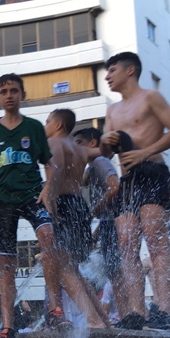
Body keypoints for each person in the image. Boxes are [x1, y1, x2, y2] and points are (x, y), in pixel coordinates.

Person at [0, 73, 68, 338]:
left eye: (14, 90)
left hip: (31, 196)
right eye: (4, 91)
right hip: (2, 200)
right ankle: (7, 328)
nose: (9, 95)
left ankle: (54, 311)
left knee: (49, 238)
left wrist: (48, 187)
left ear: (22, 95)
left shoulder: (35, 127)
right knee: (6, 262)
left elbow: (49, 164)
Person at [101, 52, 170, 330]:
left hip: (152, 172)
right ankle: (137, 311)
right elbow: (103, 152)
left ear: (130, 70)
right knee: (126, 246)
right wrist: (106, 140)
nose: (107, 76)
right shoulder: (112, 110)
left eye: (112, 70)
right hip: (127, 183)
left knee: (156, 242)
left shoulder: (151, 97)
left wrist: (144, 152)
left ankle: (164, 310)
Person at [43, 109, 108, 328]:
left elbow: (56, 168)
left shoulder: (55, 143)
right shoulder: (79, 149)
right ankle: (104, 320)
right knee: (75, 271)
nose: (45, 127)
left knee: (62, 268)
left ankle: (91, 319)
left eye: (47, 122)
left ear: (58, 125)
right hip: (80, 205)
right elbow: (102, 152)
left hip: (63, 204)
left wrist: (49, 197)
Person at [72, 127, 122, 307]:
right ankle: (125, 314)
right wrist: (97, 233)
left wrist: (94, 211)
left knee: (117, 272)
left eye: (79, 143)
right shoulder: (93, 167)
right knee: (114, 271)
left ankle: (127, 314)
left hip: (115, 224)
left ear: (92, 144)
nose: (74, 148)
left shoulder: (100, 161)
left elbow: (114, 187)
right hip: (108, 224)